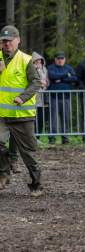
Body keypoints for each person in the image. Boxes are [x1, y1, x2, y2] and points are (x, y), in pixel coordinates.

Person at [0, 25, 43, 195]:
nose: (7, 44)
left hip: (22, 115)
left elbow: (36, 83)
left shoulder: (26, 60)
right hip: (2, 114)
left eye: (10, 41)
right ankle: (3, 175)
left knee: (28, 153)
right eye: (4, 41)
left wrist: (22, 97)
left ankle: (36, 183)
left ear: (18, 41)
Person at [47, 51, 78, 144]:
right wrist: (66, 75)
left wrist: (60, 79)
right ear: (55, 59)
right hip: (53, 97)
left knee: (66, 118)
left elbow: (75, 78)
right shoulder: (51, 67)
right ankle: (52, 138)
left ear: (64, 59)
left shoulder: (69, 67)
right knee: (53, 118)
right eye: (58, 59)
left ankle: (65, 138)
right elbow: (52, 76)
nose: (60, 60)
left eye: (62, 59)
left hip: (66, 97)